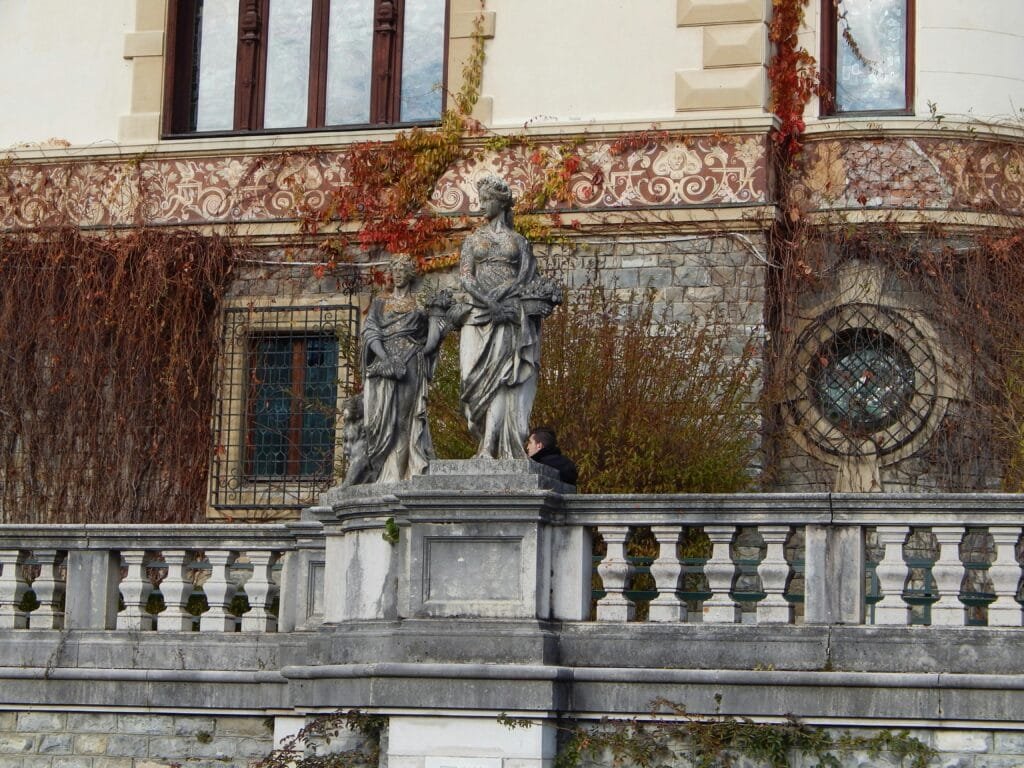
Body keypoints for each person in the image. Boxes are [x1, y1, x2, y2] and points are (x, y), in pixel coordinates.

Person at [459, 175, 540, 459]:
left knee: (503, 380)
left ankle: (491, 445)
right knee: (472, 378)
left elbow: (528, 280)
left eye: (486, 200)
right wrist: (489, 302)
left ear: (500, 203)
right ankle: (483, 439)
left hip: (509, 314)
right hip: (480, 315)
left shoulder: (519, 241)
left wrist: (510, 304)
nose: (482, 206)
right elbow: (466, 278)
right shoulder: (472, 240)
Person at [361, 255, 445, 483]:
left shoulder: (420, 304)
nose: (397, 274)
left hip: (411, 363)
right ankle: (379, 471)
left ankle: (398, 475)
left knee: (403, 420)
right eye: (394, 270)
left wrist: (429, 342)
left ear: (410, 274)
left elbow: (433, 334)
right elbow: (370, 331)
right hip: (383, 366)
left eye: (402, 270)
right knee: (374, 422)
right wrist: (385, 358)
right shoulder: (380, 303)